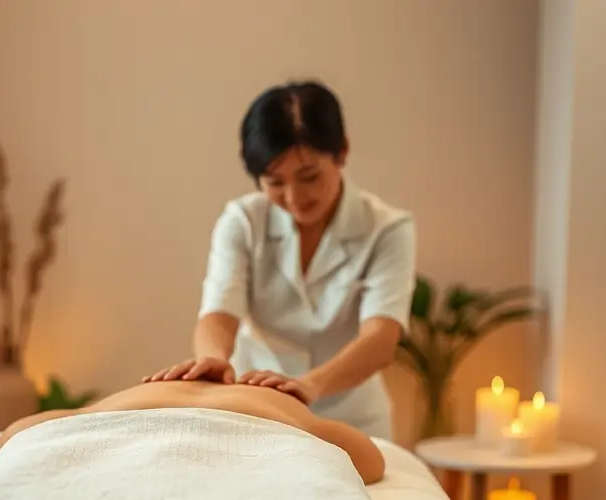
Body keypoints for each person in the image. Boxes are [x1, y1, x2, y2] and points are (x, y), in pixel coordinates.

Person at [149, 81, 416, 441]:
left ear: (342, 152)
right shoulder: (243, 221)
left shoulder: (386, 229)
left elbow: (381, 340)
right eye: (275, 182)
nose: (294, 197)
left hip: (352, 419)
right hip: (259, 410)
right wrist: (212, 360)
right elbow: (218, 312)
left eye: (309, 177)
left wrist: (307, 386)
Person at [0, 377, 386, 485]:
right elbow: (371, 461)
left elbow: (10, 442)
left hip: (121, 425)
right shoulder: (277, 401)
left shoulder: (128, 397)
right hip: (262, 424)